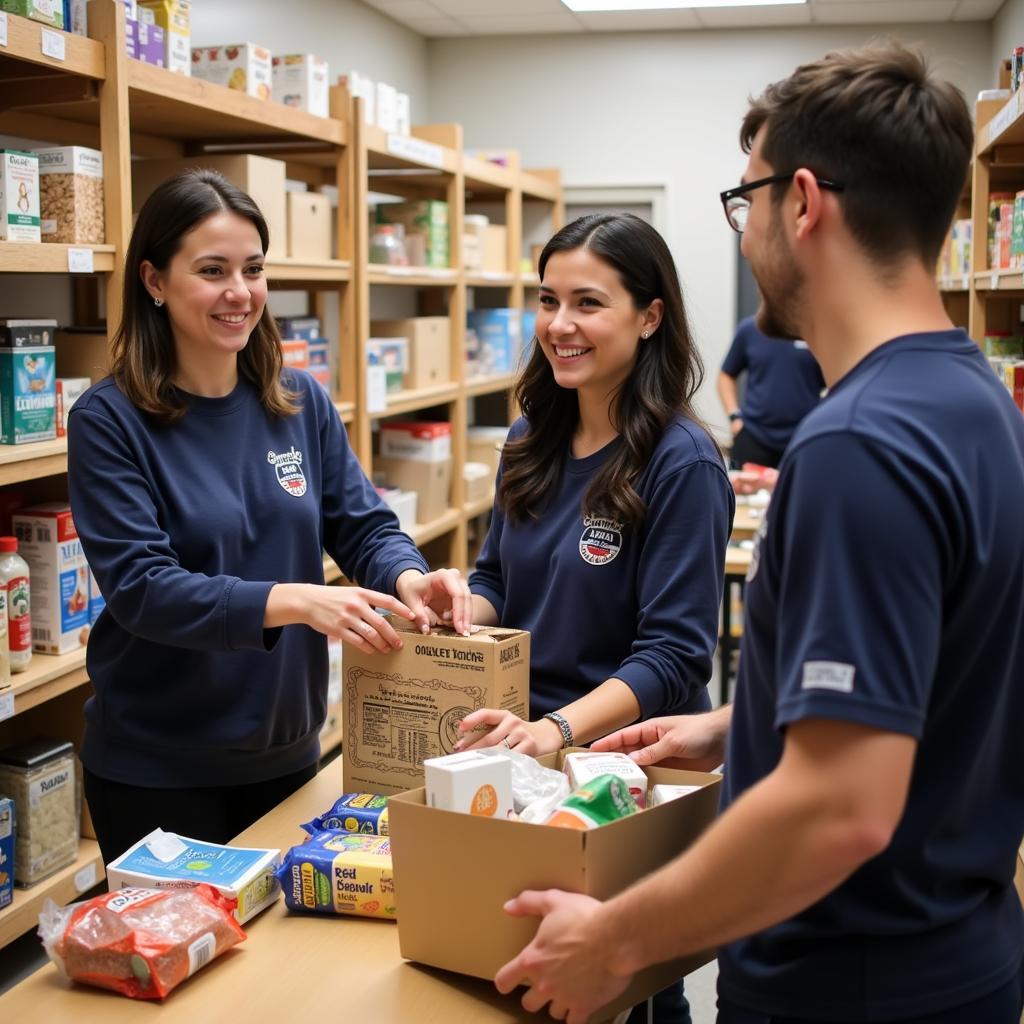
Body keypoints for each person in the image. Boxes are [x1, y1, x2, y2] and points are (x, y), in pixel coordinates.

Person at [492, 43, 1024, 1024]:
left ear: (803, 202)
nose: (743, 235)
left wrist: (611, 938)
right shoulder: (976, 399)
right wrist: (749, 725)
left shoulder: (857, 442)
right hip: (959, 952)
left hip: (849, 980)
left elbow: (840, 807)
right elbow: (938, 691)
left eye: (746, 202)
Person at [68, 170, 470, 866]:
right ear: (154, 281)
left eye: (253, 269)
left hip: (288, 753)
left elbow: (361, 525)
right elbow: (142, 589)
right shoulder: (110, 421)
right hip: (157, 770)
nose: (240, 292)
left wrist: (408, 577)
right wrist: (295, 602)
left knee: (288, 969)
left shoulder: (297, 402)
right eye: (212, 270)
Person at [455, 212, 734, 1024]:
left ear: (649, 318)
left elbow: (674, 657)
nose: (560, 325)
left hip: (616, 772)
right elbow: (496, 580)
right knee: (510, 970)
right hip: (514, 761)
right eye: (548, 299)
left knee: (622, 988)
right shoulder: (530, 436)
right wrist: (455, 610)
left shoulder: (681, 463)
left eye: (589, 302)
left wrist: (559, 732)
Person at [717, 315, 824, 469]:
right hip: (753, 436)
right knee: (742, 491)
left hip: (802, 439)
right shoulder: (749, 330)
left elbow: (839, 380)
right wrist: (734, 417)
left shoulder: (814, 330)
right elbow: (725, 376)